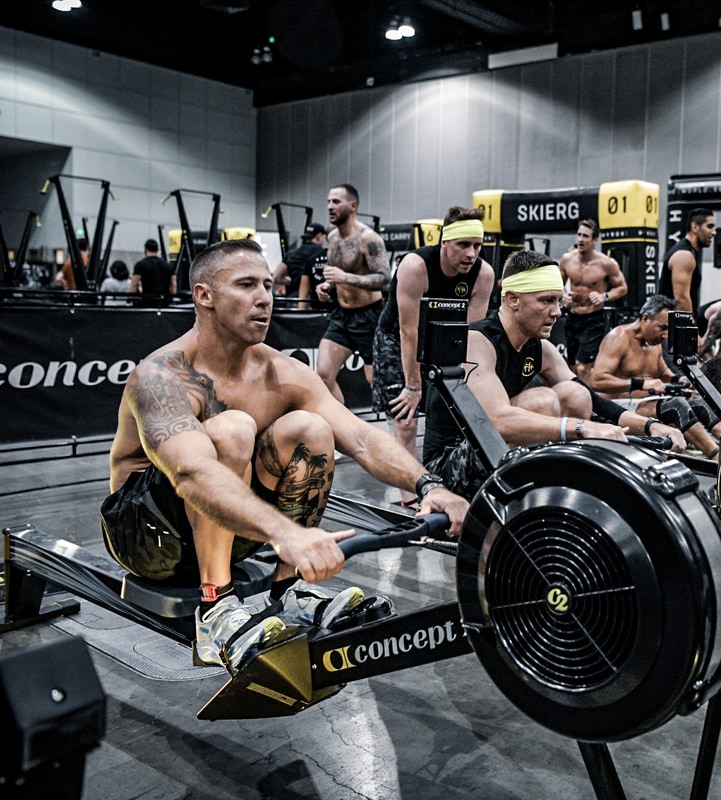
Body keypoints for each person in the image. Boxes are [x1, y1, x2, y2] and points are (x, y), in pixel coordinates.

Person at [100, 239, 469, 672]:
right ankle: (215, 612)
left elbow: (361, 437)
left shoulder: (282, 372)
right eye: (245, 285)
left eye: (266, 285)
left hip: (225, 527)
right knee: (232, 428)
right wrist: (284, 533)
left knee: (311, 429)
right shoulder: (162, 375)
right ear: (205, 296)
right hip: (147, 539)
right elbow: (190, 472)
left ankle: (290, 591)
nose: (264, 298)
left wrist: (430, 485)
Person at [422, 250, 686, 497]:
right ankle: (533, 497)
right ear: (513, 299)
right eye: (547, 301)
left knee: (575, 394)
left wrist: (651, 426)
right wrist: (582, 429)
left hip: (494, 451)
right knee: (542, 402)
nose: (558, 312)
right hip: (449, 465)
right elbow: (499, 420)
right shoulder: (477, 341)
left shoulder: (542, 349)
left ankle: (558, 489)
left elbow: (592, 401)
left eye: (559, 301)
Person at [373, 206, 495, 469]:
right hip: (398, 340)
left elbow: (469, 335)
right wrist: (413, 387)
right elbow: (409, 331)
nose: (471, 253)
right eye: (463, 245)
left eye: (477, 245)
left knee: (450, 416)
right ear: (445, 241)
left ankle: (438, 477)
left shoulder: (483, 275)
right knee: (406, 421)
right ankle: (409, 497)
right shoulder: (415, 267)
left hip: (443, 342)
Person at [589, 294, 721, 458]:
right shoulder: (618, 338)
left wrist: (680, 380)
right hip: (616, 408)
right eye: (662, 327)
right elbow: (597, 380)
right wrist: (641, 384)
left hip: (645, 404)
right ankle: (718, 459)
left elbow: (665, 374)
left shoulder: (654, 344)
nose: (666, 335)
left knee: (700, 403)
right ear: (645, 319)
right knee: (676, 405)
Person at [314, 184, 389, 404]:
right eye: (328, 201)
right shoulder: (332, 237)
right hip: (342, 316)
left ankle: (395, 433)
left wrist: (345, 278)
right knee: (324, 375)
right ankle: (346, 426)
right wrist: (327, 286)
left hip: (370, 317)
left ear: (353, 206)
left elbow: (386, 280)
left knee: (376, 380)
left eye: (336, 202)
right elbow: (335, 273)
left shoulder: (370, 239)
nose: (330, 207)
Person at [559, 219, 627, 382]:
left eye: (586, 236)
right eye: (579, 235)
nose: (581, 240)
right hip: (573, 316)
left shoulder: (606, 264)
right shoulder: (567, 259)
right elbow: (558, 284)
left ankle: (589, 405)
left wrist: (604, 296)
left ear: (594, 240)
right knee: (572, 366)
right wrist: (563, 295)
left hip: (593, 319)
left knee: (584, 366)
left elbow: (622, 287)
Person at [659, 208, 716, 314]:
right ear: (695, 227)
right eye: (709, 226)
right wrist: (689, 328)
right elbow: (681, 299)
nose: (714, 232)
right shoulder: (684, 255)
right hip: (671, 325)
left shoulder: (689, 252)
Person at [274, 223, 326, 299]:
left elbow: (276, 277)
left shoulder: (291, 253)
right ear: (319, 237)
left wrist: (294, 282)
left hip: (292, 299)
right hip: (313, 300)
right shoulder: (322, 254)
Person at [131, 238, 177, 307]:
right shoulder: (168, 265)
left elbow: (134, 285)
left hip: (148, 302)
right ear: (157, 250)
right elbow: (173, 285)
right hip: (164, 302)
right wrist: (172, 299)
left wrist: (129, 300)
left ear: (145, 250)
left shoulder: (140, 265)